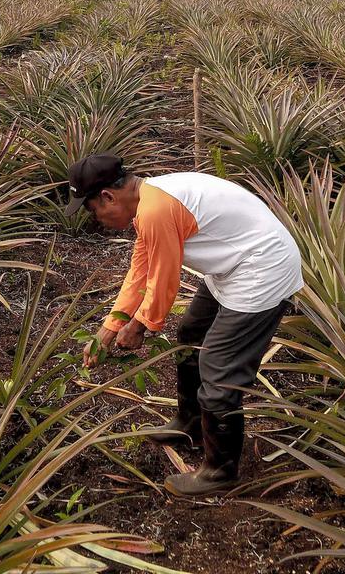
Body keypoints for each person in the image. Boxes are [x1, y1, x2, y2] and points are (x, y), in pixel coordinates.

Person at [65, 153, 303, 496]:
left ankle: (220, 470)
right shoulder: (150, 201)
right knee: (192, 334)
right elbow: (141, 268)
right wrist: (112, 325)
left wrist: (141, 325)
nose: (97, 219)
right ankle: (190, 423)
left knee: (218, 367)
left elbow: (164, 278)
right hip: (234, 266)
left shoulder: (156, 209)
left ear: (107, 196)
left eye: (93, 211)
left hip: (260, 270)